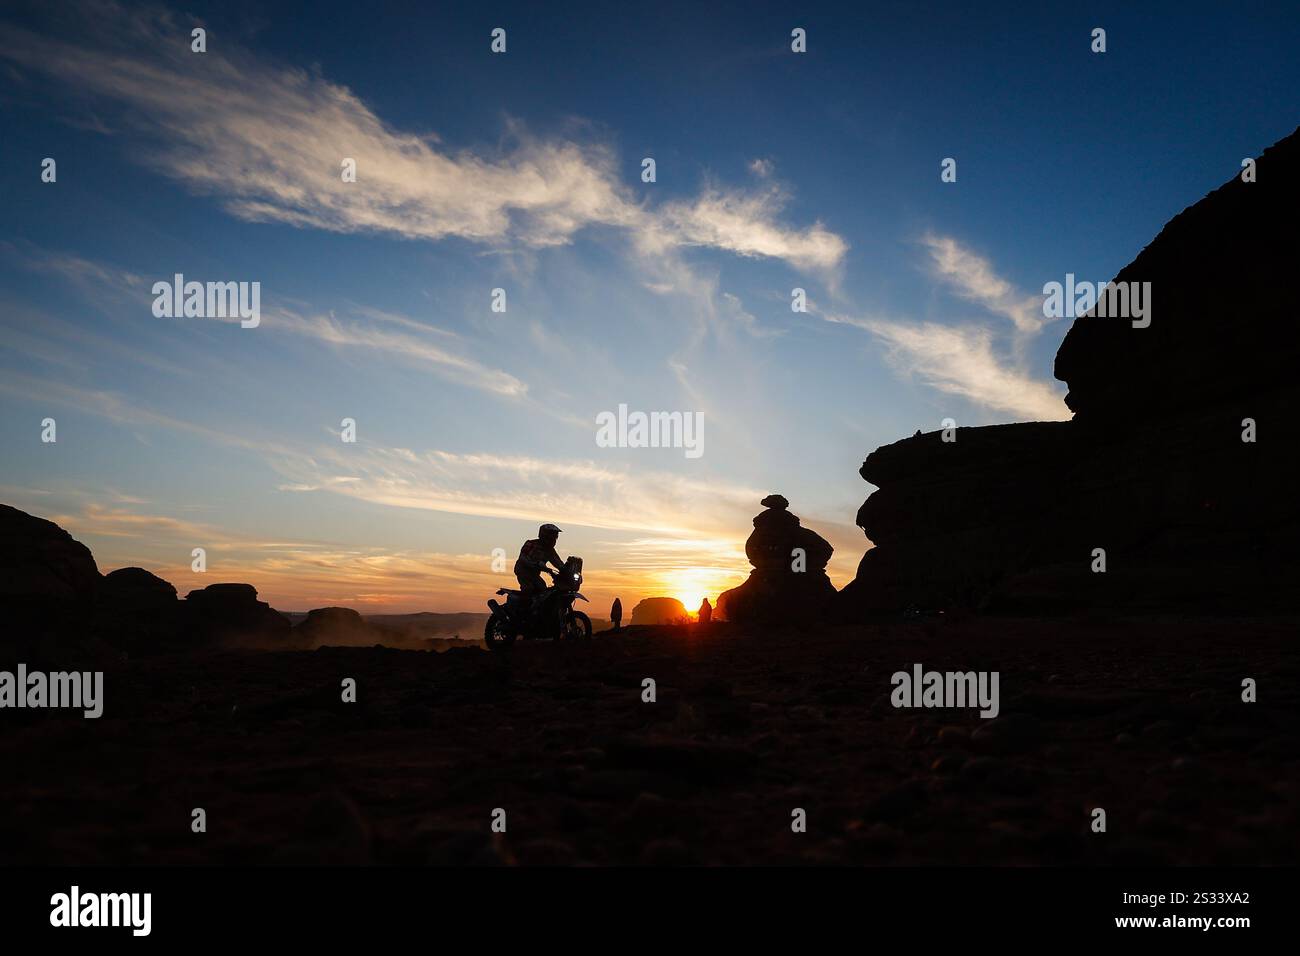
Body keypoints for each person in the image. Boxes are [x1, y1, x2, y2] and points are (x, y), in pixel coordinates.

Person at [514, 524, 564, 605]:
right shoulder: (530, 543)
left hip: (534, 574)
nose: (554, 538)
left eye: (555, 536)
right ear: (545, 535)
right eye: (552, 535)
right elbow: (523, 557)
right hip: (523, 571)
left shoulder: (550, 550)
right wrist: (535, 563)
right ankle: (522, 611)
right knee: (528, 589)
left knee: (544, 591)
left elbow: (557, 562)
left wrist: (566, 570)